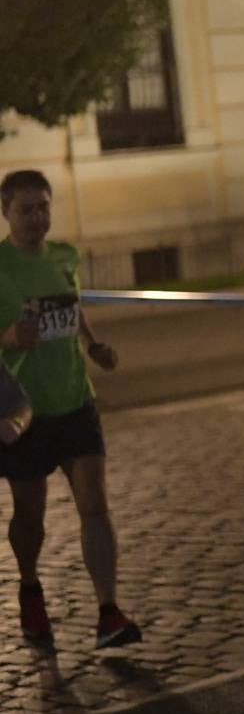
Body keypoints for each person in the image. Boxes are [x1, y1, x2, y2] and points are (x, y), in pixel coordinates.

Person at [0, 169, 141, 651]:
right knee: (29, 515)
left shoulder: (64, 256)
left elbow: (73, 306)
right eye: (27, 209)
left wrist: (94, 345)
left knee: (95, 504)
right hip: (23, 410)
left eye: (44, 206)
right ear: (6, 213)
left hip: (76, 400)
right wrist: (9, 338)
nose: (38, 217)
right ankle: (30, 585)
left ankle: (108, 611)